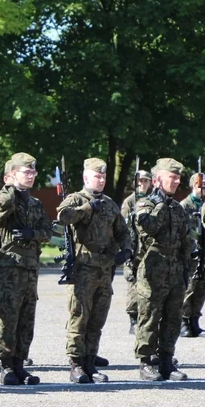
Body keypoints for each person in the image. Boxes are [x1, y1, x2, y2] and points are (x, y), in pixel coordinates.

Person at [56, 158, 131, 383]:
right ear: (86, 177)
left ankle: (90, 362)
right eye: (96, 176)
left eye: (103, 177)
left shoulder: (109, 204)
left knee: (98, 318)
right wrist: (87, 207)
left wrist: (126, 249)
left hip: (104, 268)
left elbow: (122, 231)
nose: (101, 180)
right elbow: (62, 217)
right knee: (79, 316)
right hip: (83, 268)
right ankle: (76, 364)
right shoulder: (76, 199)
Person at [0, 152, 51, 385]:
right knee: (7, 319)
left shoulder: (35, 204)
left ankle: (19, 364)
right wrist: (9, 191)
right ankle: (5, 365)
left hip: (30, 269)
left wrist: (31, 234)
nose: (32, 175)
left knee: (26, 319)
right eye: (26, 172)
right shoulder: (2, 200)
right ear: (11, 175)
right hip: (9, 268)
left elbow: (47, 232)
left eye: (33, 172)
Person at [133, 158, 191, 381]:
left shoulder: (177, 208)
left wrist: (186, 267)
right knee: (150, 315)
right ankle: (146, 362)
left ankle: (166, 360)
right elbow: (146, 227)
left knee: (172, 317)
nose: (176, 181)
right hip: (153, 268)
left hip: (174, 268)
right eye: (172, 177)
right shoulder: (146, 204)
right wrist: (159, 204)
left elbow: (186, 239)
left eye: (178, 178)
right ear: (157, 180)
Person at [121, 170, 152, 334]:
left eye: (146, 181)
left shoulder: (151, 200)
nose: (143, 184)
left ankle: (144, 317)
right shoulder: (130, 201)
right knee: (133, 283)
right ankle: (133, 318)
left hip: (147, 249)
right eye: (140, 181)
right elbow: (122, 225)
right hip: (133, 249)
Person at [180, 173, 205, 338]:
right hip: (190, 253)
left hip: (204, 252)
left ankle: (195, 318)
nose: (204, 187)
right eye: (202, 184)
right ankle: (184, 320)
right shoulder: (185, 205)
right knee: (188, 288)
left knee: (202, 287)